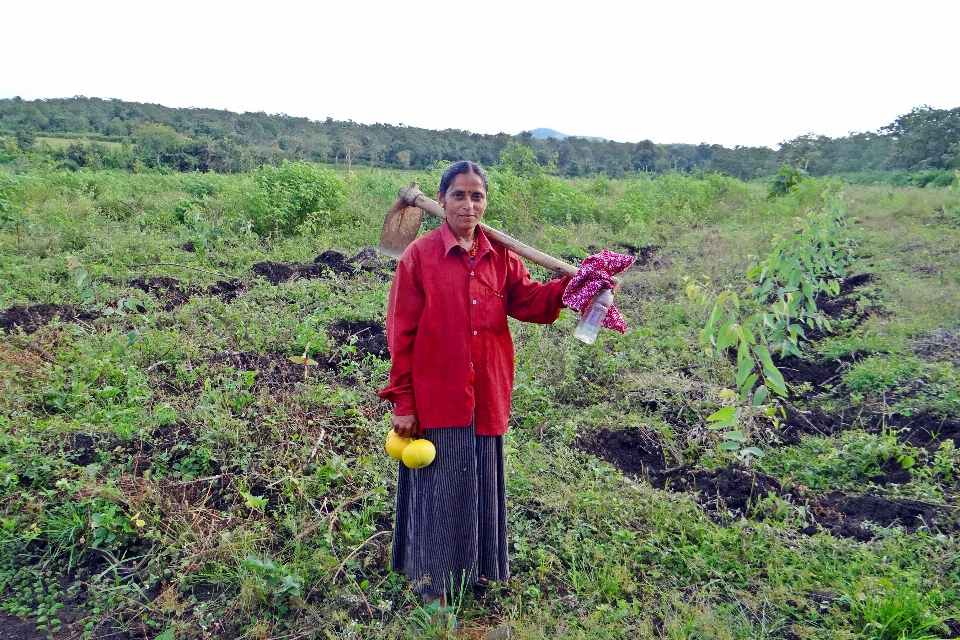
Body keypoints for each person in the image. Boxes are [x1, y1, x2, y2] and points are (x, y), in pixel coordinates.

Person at [379, 160, 570, 606]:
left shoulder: (500, 254)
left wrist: (569, 286)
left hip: (487, 392)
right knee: (441, 491)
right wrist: (403, 401)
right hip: (437, 396)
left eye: (477, 195)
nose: (469, 203)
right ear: (441, 200)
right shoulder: (420, 256)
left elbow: (527, 302)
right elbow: (400, 334)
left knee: (480, 484)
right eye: (460, 195)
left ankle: (476, 573)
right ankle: (435, 587)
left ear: (486, 201)